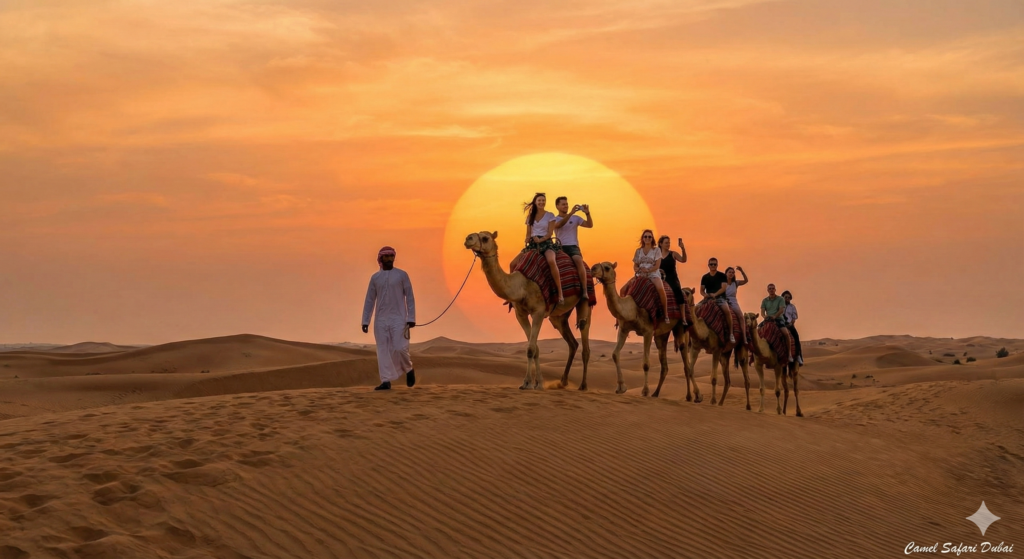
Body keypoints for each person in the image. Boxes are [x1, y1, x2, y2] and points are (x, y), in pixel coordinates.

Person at [361, 246, 416, 391]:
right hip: (380, 319)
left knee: (400, 347)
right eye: (386, 257)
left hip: (399, 318)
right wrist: (365, 321)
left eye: (392, 256)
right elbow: (369, 300)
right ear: (381, 259)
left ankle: (408, 368)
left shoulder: (402, 275)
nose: (390, 259)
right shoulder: (375, 278)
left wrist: (411, 317)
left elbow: (409, 297)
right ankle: (385, 381)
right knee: (382, 350)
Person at [523, 193, 564, 303]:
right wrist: (527, 239)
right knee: (513, 264)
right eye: (539, 200)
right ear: (535, 202)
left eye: (543, 200)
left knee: (551, 261)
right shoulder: (530, 217)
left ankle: (560, 293)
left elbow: (550, 233)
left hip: (546, 243)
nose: (541, 202)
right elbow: (528, 233)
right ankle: (512, 295)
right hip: (533, 244)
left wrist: (540, 240)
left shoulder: (550, 215)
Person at [554, 197, 593, 292]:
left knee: (579, 261)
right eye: (563, 204)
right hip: (559, 246)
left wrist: (587, 213)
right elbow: (559, 225)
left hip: (572, 246)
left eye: (566, 204)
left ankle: (584, 290)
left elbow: (589, 225)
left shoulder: (576, 218)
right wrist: (571, 213)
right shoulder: (554, 219)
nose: (566, 206)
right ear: (557, 206)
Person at [633, 229, 670, 323]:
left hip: (653, 274)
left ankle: (665, 315)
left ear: (652, 238)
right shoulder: (638, 251)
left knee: (661, 289)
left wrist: (648, 270)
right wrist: (639, 269)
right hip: (640, 275)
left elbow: (657, 265)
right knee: (624, 290)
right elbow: (635, 265)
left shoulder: (656, 250)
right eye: (645, 236)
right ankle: (620, 319)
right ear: (643, 238)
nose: (647, 238)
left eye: (649, 236)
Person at [700, 257, 736, 344]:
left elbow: (724, 288)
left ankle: (731, 333)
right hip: (708, 298)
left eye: (714, 264)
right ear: (708, 265)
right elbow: (701, 290)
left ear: (717, 265)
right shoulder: (705, 277)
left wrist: (715, 295)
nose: (713, 266)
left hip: (720, 298)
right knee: (696, 309)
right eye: (711, 264)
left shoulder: (722, 276)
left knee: (727, 311)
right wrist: (705, 295)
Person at [657, 235, 688, 326]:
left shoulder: (673, 254)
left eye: (669, 243)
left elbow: (683, 260)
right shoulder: (657, 255)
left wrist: (683, 248)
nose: (668, 244)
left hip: (672, 278)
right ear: (661, 244)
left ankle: (683, 317)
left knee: (678, 291)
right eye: (666, 243)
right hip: (660, 278)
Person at [760, 283, 794, 364]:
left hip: (778, 319)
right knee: (758, 331)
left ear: (775, 290)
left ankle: (789, 354)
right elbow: (762, 312)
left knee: (786, 333)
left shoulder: (780, 299)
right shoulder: (764, 300)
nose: (771, 290)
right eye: (770, 289)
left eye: (773, 288)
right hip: (768, 319)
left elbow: (781, 310)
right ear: (767, 290)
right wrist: (765, 317)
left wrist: (775, 316)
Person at [724, 266, 749, 345]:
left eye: (732, 272)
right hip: (723, 300)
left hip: (733, 301)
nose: (731, 274)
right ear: (726, 273)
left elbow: (746, 281)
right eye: (729, 272)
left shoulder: (735, 283)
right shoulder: (722, 283)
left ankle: (744, 338)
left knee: (741, 317)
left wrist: (741, 271)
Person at [782, 290, 804, 365]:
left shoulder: (792, 307)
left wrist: (790, 324)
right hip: (780, 323)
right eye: (785, 297)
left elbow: (794, 318)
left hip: (789, 324)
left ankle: (798, 356)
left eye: (788, 297)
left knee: (796, 337)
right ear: (783, 298)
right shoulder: (779, 306)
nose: (787, 299)